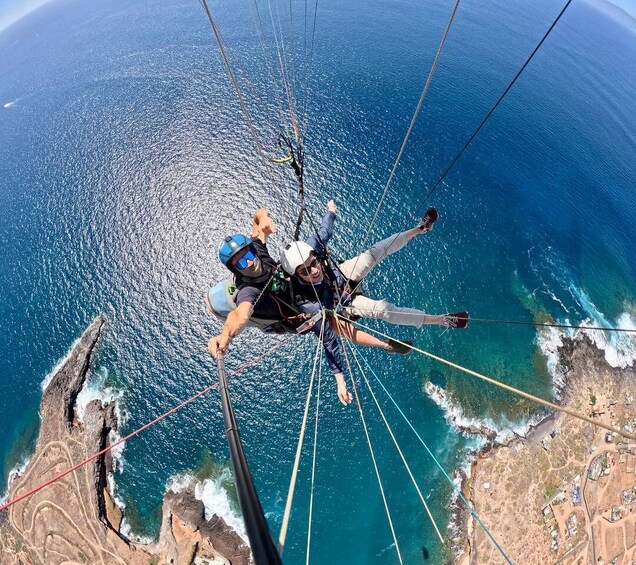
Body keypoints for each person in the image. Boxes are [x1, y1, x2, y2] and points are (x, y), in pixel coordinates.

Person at [207, 207, 411, 405]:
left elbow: (258, 222)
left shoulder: (257, 249)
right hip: (296, 312)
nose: (250, 263)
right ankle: (387, 345)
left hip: (297, 285)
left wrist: (265, 218)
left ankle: (352, 305)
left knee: (312, 261)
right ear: (235, 269)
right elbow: (240, 314)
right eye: (241, 264)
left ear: (252, 250)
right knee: (340, 328)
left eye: (248, 256)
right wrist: (225, 337)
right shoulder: (247, 290)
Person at [280, 201, 469, 334]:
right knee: (384, 310)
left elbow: (325, 231)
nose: (314, 270)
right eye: (305, 271)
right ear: (296, 275)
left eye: (313, 262)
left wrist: (331, 211)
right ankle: (442, 320)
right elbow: (320, 317)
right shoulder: (303, 299)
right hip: (345, 304)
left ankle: (421, 228)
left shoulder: (310, 248)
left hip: (341, 274)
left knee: (377, 250)